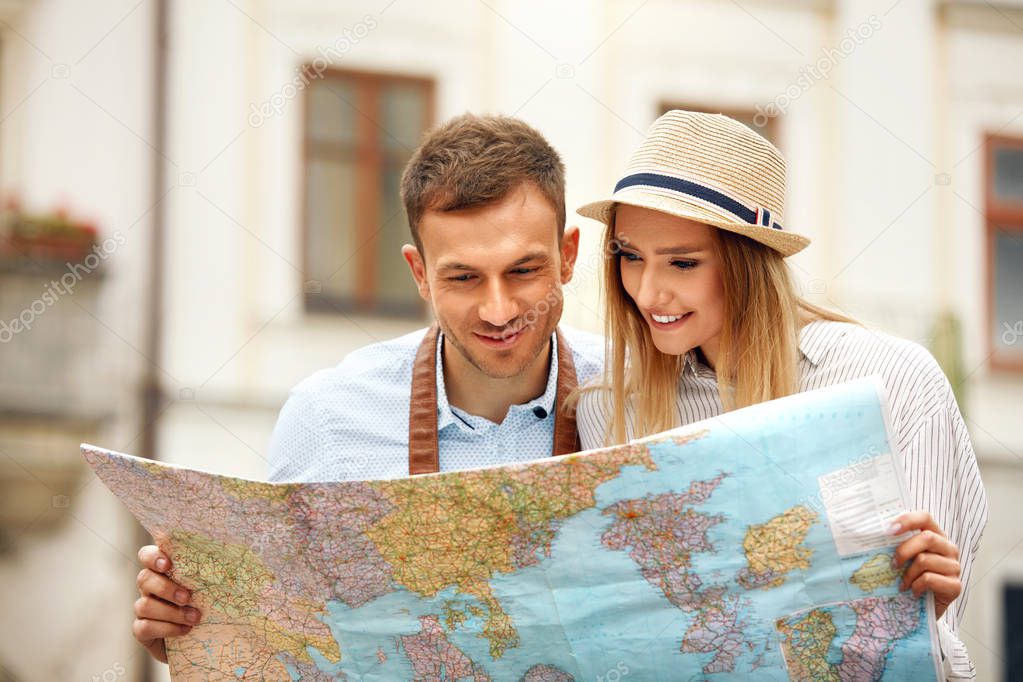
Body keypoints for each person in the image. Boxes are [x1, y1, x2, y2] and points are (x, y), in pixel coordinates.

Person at [131, 114, 603, 664]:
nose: (498, 310)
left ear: (568, 255)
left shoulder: (643, 395)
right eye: (463, 277)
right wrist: (189, 630)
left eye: (523, 270)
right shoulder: (326, 419)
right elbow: (286, 638)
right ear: (420, 273)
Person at [575, 109, 987, 680]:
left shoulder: (894, 381)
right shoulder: (608, 407)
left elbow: (931, 653)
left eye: (683, 262)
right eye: (629, 256)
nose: (647, 292)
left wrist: (928, 616)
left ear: (747, 265)